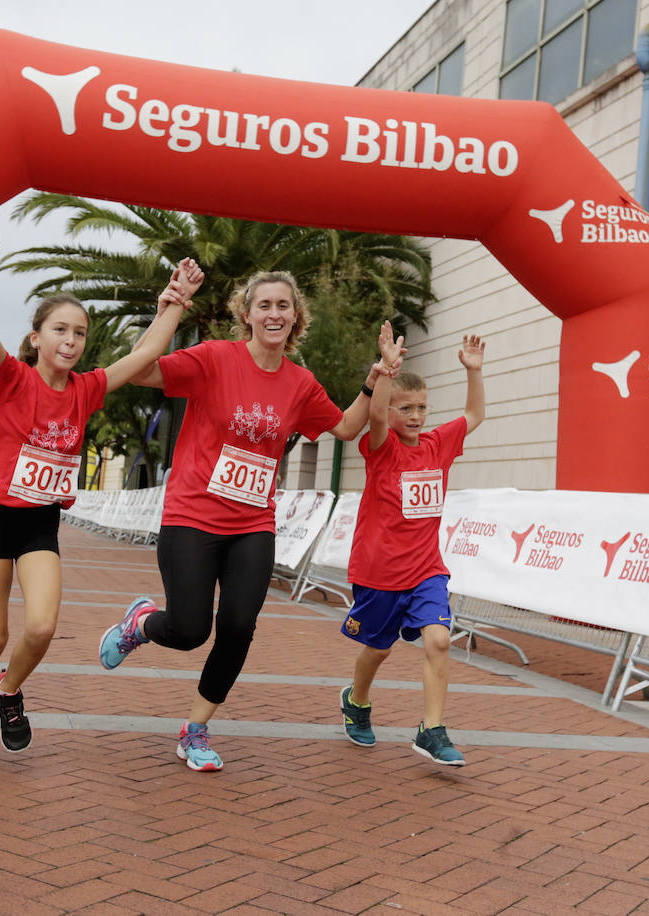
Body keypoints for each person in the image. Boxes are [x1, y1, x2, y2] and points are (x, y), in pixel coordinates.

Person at [97, 271, 403, 772]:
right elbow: (140, 369)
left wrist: (377, 378)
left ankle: (195, 728)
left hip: (252, 525)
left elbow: (347, 427)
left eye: (284, 305)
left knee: (239, 626)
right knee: (190, 629)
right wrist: (171, 306)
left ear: (295, 317)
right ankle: (141, 625)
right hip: (193, 516)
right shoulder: (215, 358)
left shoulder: (300, 384)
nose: (275, 314)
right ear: (248, 314)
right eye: (264, 305)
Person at [0, 229, 202, 762]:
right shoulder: (12, 379)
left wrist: (175, 301)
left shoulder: (86, 389)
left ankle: (8, 691)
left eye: (80, 333)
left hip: (39, 521)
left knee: (41, 625)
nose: (71, 340)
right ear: (38, 337)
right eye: (60, 330)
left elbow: (145, 356)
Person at [337, 329, 485, 765]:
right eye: (408, 408)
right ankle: (356, 700)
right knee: (378, 649)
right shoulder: (380, 448)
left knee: (438, 640)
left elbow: (474, 415)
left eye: (422, 407)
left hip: (426, 571)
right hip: (378, 573)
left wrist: (474, 372)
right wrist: (385, 370)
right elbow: (376, 415)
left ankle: (432, 730)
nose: (416, 416)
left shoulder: (439, 445)